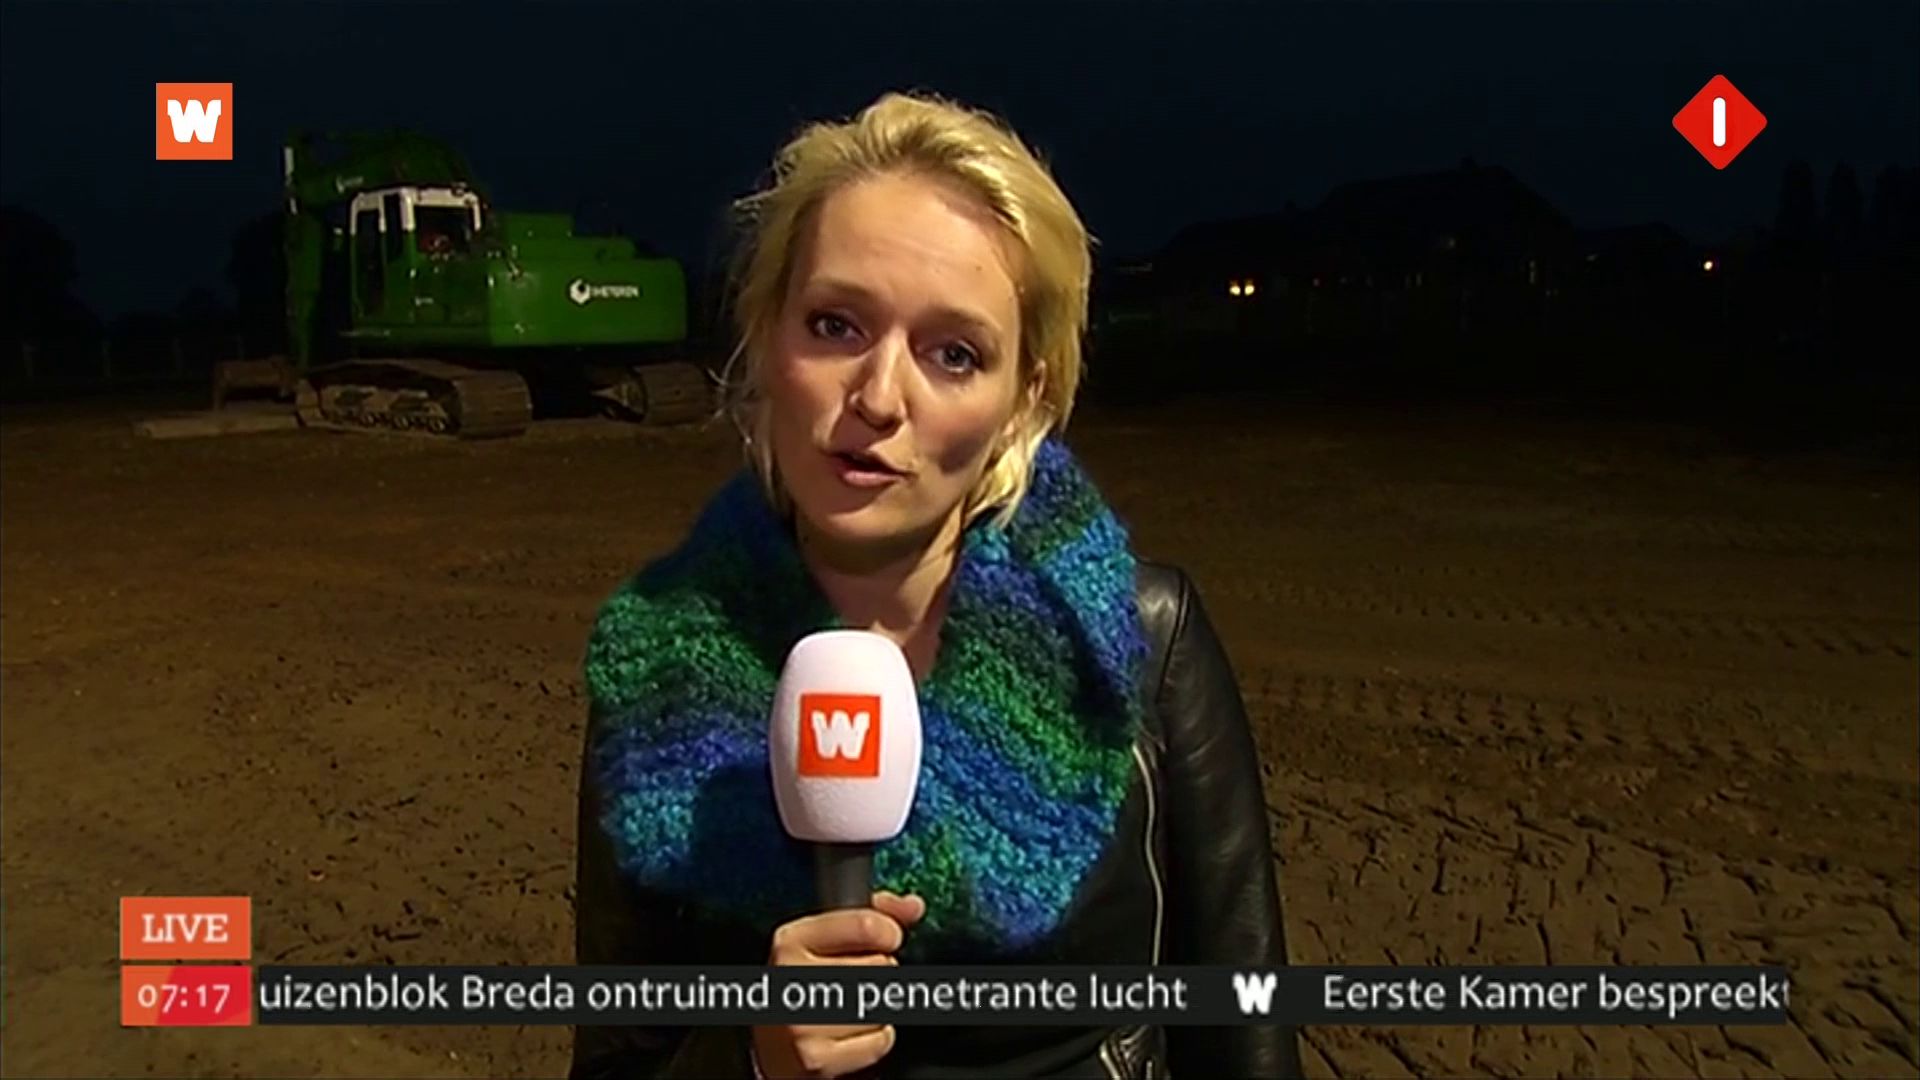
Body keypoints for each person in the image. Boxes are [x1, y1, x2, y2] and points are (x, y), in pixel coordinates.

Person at [571, 90, 1300, 1079]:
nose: (878, 398)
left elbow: (1244, 1029)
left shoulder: (1139, 639)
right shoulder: (658, 673)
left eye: (954, 354)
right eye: (835, 324)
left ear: (1025, 398)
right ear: (767, 335)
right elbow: (616, 1061)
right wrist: (749, 1059)